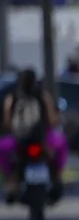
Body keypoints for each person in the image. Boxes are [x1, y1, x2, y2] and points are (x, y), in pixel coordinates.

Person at [1, 69, 66, 205]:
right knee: (61, 143)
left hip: (19, 142)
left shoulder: (12, 98)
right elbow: (52, 120)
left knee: (3, 149)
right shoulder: (43, 96)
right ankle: (58, 178)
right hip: (43, 140)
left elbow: (7, 123)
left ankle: (12, 183)